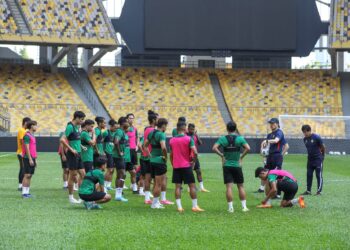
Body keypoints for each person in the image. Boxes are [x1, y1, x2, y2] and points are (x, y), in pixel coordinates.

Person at [212, 121, 250, 213]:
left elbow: (214, 148)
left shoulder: (222, 139)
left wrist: (222, 155)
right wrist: (241, 157)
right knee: (240, 186)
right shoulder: (240, 139)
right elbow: (248, 148)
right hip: (237, 165)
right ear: (235, 128)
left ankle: (230, 208)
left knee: (229, 187)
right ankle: (244, 207)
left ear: (227, 128)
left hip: (227, 165)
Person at [170, 122, 205, 213]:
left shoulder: (172, 140)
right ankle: (194, 206)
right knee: (192, 186)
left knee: (177, 187)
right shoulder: (189, 139)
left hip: (176, 166)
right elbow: (195, 152)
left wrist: (172, 164)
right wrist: (193, 162)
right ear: (185, 129)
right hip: (186, 166)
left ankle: (179, 207)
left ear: (177, 129)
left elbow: (171, 154)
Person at [144, 118, 173, 209]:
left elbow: (145, 145)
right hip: (159, 161)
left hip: (152, 161)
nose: (166, 127)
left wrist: (149, 155)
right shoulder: (161, 134)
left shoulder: (151, 133)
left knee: (156, 182)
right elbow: (164, 148)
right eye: (166, 125)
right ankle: (154, 204)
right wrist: (165, 157)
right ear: (163, 125)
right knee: (158, 184)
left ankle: (156, 202)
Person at [60, 111, 86, 204]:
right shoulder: (70, 126)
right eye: (82, 119)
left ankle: (82, 195)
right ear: (77, 118)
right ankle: (71, 197)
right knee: (73, 176)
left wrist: (81, 147)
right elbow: (62, 139)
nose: (83, 121)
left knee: (83, 174)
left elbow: (76, 140)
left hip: (78, 154)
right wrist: (71, 149)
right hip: (72, 155)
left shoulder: (77, 127)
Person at [257, 118, 287, 194]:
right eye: (270, 123)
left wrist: (281, 155)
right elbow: (266, 147)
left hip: (276, 156)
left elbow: (276, 140)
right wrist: (264, 156)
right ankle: (264, 189)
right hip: (269, 156)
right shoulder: (269, 135)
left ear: (277, 124)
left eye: (273, 123)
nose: (271, 125)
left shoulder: (279, 132)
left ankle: (278, 193)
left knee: (276, 174)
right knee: (266, 172)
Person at [301, 125, 326, 195]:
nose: (304, 134)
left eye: (305, 132)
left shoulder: (316, 137)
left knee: (318, 175)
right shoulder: (304, 139)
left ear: (309, 131)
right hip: (310, 160)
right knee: (309, 175)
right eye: (303, 132)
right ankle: (308, 191)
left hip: (318, 159)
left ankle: (319, 191)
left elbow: (323, 147)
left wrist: (322, 156)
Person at [187, 123, 209, 192]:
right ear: (188, 129)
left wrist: (196, 135)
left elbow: (200, 143)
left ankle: (202, 188)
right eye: (191, 129)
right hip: (188, 157)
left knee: (198, 171)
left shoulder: (195, 135)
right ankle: (189, 187)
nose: (192, 130)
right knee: (189, 172)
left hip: (195, 156)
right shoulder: (185, 136)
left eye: (193, 129)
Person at [141, 110, 157, 204]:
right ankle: (157, 199)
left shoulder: (146, 129)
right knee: (157, 178)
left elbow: (144, 144)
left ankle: (147, 198)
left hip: (145, 156)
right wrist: (150, 153)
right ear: (154, 120)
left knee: (147, 177)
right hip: (152, 157)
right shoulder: (153, 131)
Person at [113, 116, 129, 202]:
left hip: (120, 156)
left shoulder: (122, 131)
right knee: (123, 174)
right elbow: (116, 141)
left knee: (119, 174)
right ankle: (119, 194)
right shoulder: (119, 131)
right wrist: (119, 152)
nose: (128, 123)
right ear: (123, 123)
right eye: (127, 121)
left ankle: (118, 194)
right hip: (118, 156)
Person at [21, 120, 38, 198]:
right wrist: (30, 159)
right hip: (27, 158)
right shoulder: (27, 136)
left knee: (30, 175)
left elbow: (33, 148)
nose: (36, 127)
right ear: (31, 126)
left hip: (32, 157)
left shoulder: (32, 135)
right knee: (27, 175)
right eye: (36, 125)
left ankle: (27, 192)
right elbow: (27, 148)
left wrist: (35, 159)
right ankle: (24, 193)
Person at [103, 119, 118, 191]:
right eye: (115, 127)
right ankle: (104, 185)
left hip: (113, 153)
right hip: (107, 153)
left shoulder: (115, 133)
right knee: (109, 169)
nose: (116, 129)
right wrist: (103, 152)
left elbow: (115, 143)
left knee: (112, 170)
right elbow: (100, 142)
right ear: (111, 126)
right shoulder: (106, 133)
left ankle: (108, 185)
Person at [126, 113, 139, 194]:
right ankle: (122, 185)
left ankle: (133, 184)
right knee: (124, 169)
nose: (131, 119)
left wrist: (137, 145)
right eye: (130, 118)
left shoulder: (135, 128)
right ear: (127, 119)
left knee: (135, 167)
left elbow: (137, 137)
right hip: (127, 150)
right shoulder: (125, 128)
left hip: (133, 150)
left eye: (132, 118)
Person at [16, 117, 31, 191]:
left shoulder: (23, 130)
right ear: (25, 123)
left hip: (22, 152)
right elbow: (23, 142)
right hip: (21, 152)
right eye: (29, 123)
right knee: (23, 169)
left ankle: (21, 185)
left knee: (23, 168)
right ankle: (20, 185)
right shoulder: (22, 130)